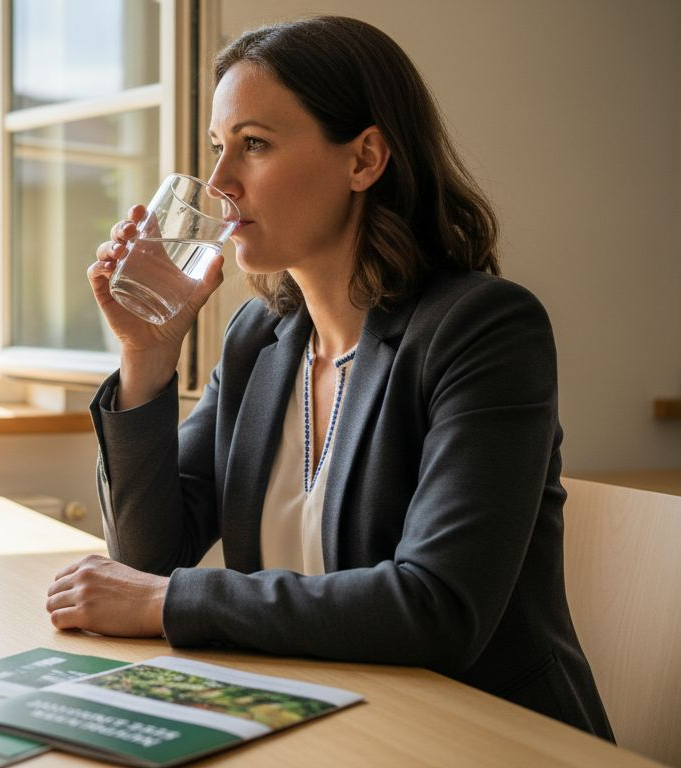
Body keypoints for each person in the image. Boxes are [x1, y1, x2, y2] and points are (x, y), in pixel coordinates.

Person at [46, 15, 613, 740]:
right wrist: (148, 358)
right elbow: (148, 556)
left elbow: (435, 608)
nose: (219, 183)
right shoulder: (259, 341)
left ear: (365, 159)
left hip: (483, 739)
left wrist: (166, 603)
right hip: (311, 724)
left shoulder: (485, 330)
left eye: (254, 145)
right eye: (219, 148)